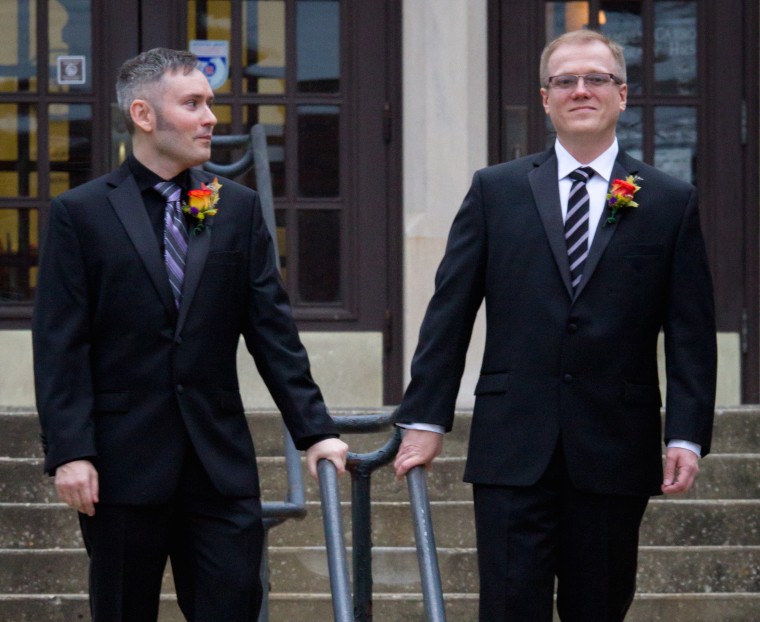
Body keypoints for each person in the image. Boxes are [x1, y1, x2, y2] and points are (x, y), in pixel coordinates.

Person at [393, 29, 716, 621]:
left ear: (622, 94)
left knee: (599, 606)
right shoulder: (496, 191)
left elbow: (691, 331)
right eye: (565, 80)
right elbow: (450, 312)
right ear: (546, 99)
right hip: (513, 442)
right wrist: (424, 418)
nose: (581, 90)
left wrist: (686, 434)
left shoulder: (670, 201)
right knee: (510, 608)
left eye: (596, 78)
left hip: (615, 444)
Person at [32, 47, 348, 621]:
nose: (211, 118)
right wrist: (70, 451)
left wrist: (315, 432)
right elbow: (61, 343)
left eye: (210, 103)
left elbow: (271, 329)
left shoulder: (238, 208)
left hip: (218, 466)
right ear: (144, 115)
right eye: (194, 104)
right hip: (121, 468)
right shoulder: (79, 213)